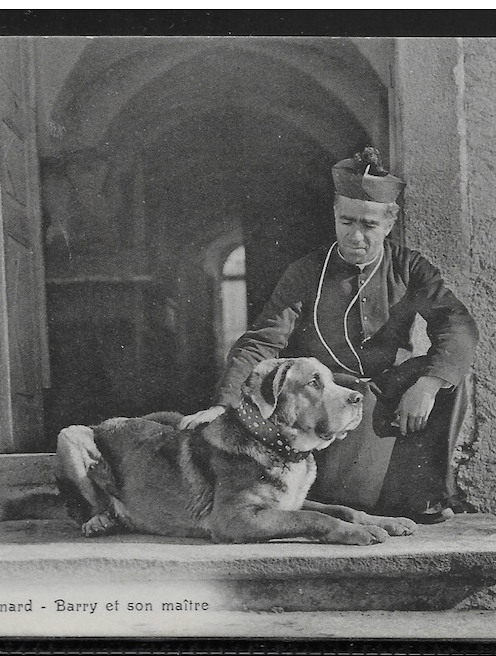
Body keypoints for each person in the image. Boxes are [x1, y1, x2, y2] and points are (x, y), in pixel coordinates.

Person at [180, 147, 479, 523]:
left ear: (389, 222)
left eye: (368, 225)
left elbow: (456, 323)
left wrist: (428, 385)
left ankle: (426, 494)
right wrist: (225, 405)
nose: (355, 236)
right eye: (346, 222)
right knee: (350, 503)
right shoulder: (306, 273)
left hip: (393, 396)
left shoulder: (409, 267)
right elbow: (262, 340)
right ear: (335, 217)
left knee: (452, 380)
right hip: (329, 400)